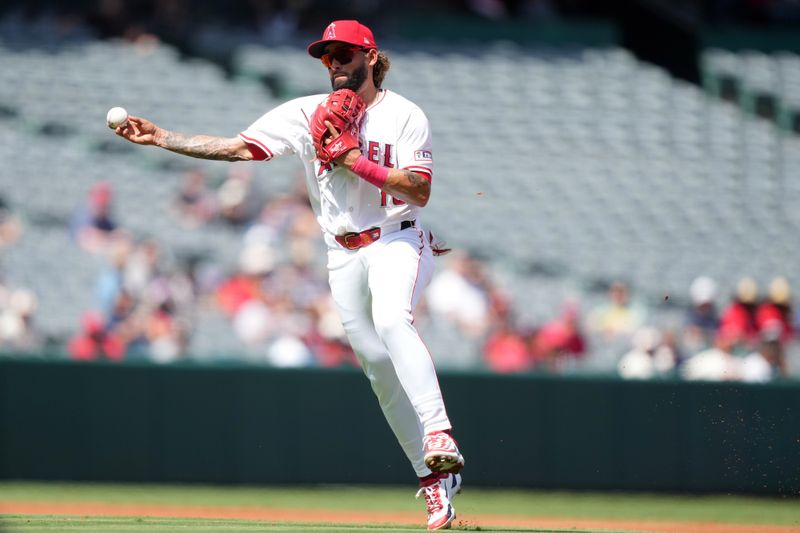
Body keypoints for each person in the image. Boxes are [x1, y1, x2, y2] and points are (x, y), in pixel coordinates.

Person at [112, 20, 464, 530]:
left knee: (391, 319)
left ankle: (439, 434)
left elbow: (419, 190)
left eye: (343, 53)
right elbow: (237, 148)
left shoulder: (405, 114)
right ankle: (433, 481)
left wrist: (351, 159)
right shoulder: (305, 114)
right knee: (375, 366)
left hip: (396, 238)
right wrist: (163, 138)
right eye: (326, 56)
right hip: (340, 252)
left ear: (370, 56)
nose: (334, 63)